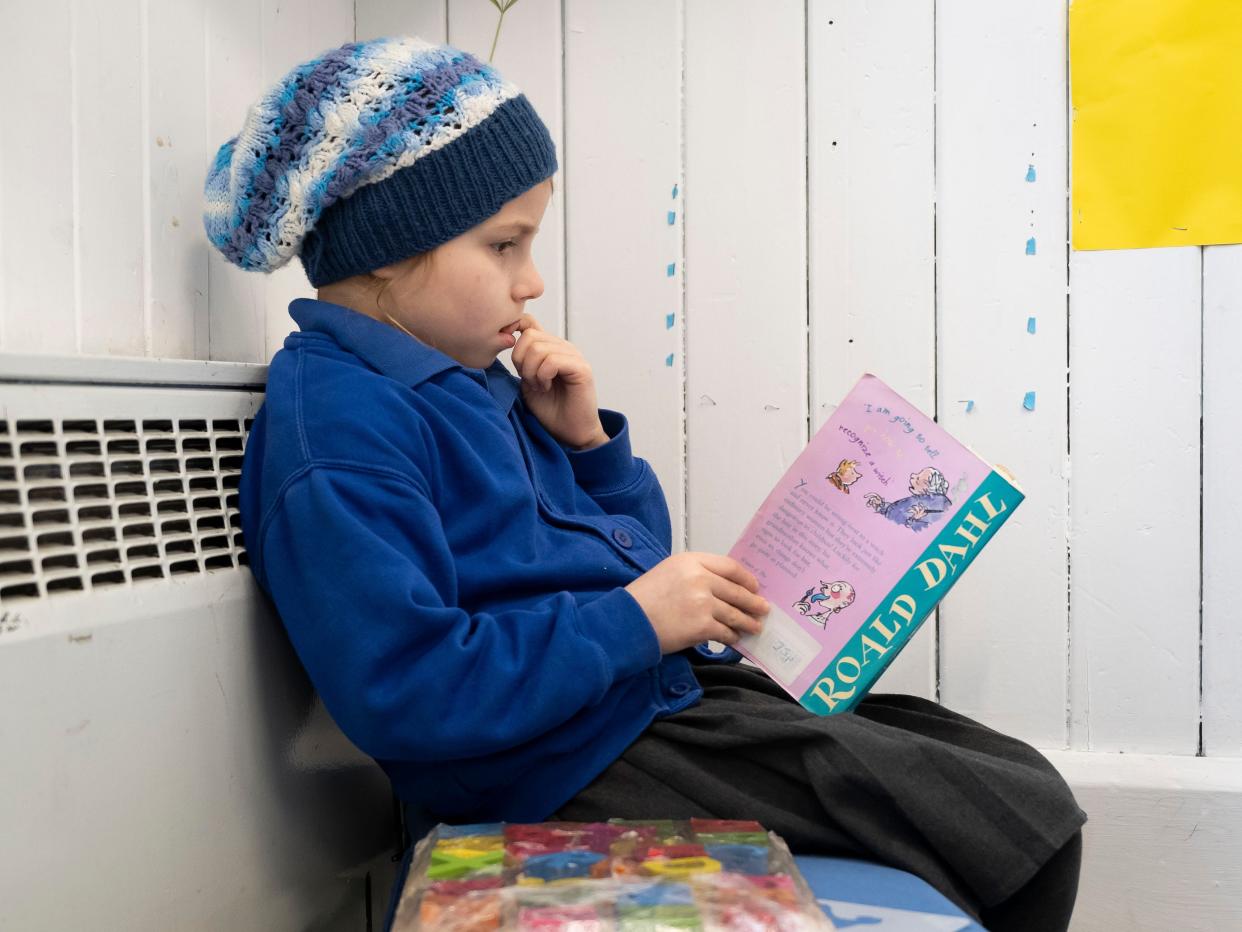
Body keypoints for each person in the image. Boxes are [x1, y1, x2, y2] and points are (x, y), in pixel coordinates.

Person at [206, 36, 1085, 931]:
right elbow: (407, 690)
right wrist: (637, 620)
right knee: (1019, 831)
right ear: (387, 249)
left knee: (1008, 776)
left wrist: (590, 449)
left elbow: (631, 560)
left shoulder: (464, 378)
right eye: (504, 245)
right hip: (563, 758)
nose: (533, 280)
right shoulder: (342, 429)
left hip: (638, 699)